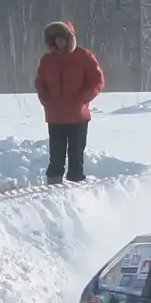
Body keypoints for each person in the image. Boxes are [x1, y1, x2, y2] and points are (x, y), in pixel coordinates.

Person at [34, 20, 105, 184]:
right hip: (55, 117)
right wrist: (46, 101)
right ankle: (53, 188)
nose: (59, 42)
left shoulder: (84, 56)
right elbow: (40, 83)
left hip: (78, 117)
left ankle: (75, 188)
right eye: (56, 39)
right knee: (55, 157)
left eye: (62, 39)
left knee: (76, 157)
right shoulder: (47, 60)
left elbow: (97, 81)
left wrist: (82, 99)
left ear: (69, 39)